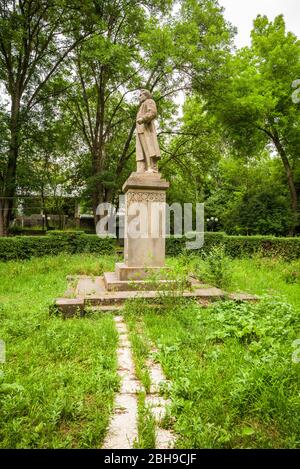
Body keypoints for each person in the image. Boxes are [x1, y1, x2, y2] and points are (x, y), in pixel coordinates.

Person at [136, 89, 161, 173]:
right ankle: (143, 168)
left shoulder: (149, 101)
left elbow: (153, 112)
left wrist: (143, 118)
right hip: (141, 130)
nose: (139, 97)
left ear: (146, 95)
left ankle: (151, 168)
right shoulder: (142, 105)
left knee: (149, 149)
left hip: (147, 129)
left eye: (141, 95)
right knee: (143, 150)